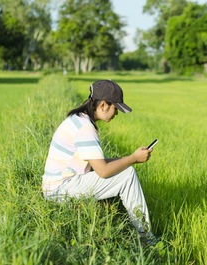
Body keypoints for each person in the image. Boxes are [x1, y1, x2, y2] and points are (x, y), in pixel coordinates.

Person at [41, 80, 155, 242]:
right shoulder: (85, 128)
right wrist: (132, 159)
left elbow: (97, 162)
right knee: (127, 174)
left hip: (57, 187)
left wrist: (132, 159)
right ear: (103, 105)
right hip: (60, 190)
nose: (116, 114)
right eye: (115, 108)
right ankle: (146, 238)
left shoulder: (78, 119)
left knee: (124, 169)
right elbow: (102, 170)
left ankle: (141, 233)